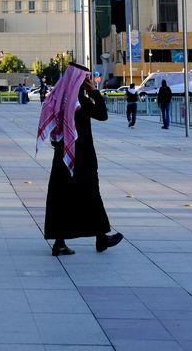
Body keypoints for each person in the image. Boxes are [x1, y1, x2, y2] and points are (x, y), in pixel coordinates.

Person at [37, 62, 123, 257]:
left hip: (62, 156)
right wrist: (94, 92)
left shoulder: (57, 98)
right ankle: (100, 238)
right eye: (86, 79)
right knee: (92, 194)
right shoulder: (79, 102)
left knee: (62, 197)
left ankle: (76, 240)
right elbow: (102, 115)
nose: (88, 81)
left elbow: (52, 126)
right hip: (81, 157)